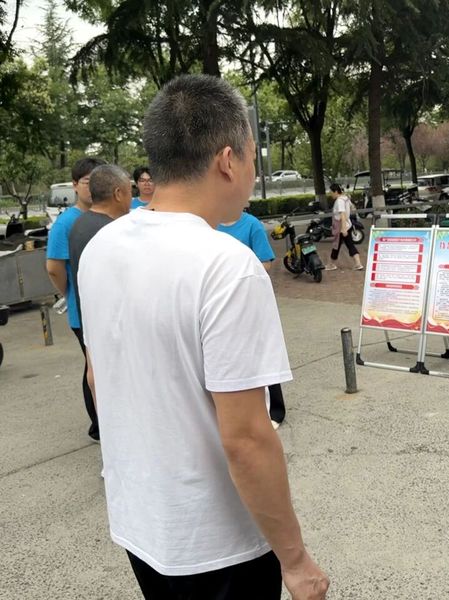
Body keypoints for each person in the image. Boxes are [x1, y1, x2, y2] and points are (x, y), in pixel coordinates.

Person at [78, 74, 329, 600]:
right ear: (227, 160)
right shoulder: (226, 265)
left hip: (140, 525)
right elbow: (247, 438)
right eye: (253, 156)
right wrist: (295, 560)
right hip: (218, 545)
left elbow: (98, 375)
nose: (254, 171)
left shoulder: (103, 247)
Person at [46, 155, 106, 443]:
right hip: (81, 310)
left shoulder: (106, 216)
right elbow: (54, 267)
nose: (91, 187)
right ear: (74, 185)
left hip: (105, 306)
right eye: (86, 181)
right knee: (92, 366)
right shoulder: (66, 223)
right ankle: (98, 425)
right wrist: (69, 293)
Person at [217, 208, 287, 428]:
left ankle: (275, 411)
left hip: (250, 299)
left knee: (262, 351)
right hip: (221, 301)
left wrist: (237, 275)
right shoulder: (210, 224)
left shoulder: (252, 225)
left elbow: (265, 262)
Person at [69, 164, 132, 328]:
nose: (131, 199)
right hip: (111, 326)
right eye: (130, 192)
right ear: (118, 194)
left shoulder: (80, 223)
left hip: (92, 323)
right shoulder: (110, 231)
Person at [325, 183, 363, 271]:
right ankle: (358, 264)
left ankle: (331, 264)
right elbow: (353, 207)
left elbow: (342, 214)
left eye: (331, 192)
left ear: (335, 191)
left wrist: (343, 229)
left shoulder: (339, 201)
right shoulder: (345, 198)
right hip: (347, 225)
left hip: (341, 227)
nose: (330, 194)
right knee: (349, 245)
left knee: (336, 246)